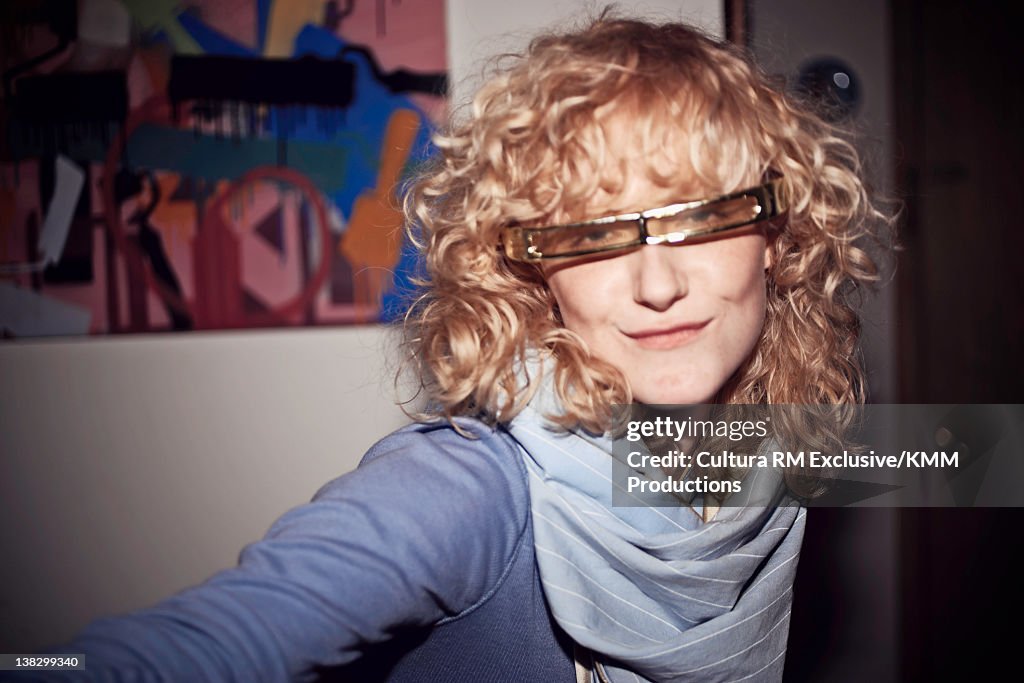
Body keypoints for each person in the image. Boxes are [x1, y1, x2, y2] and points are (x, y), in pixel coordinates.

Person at [9, 12, 885, 683]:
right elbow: (192, 650)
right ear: (533, 268)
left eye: (700, 214)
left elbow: (978, 453)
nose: (657, 284)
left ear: (777, 234)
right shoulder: (469, 490)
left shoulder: (757, 451)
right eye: (592, 232)